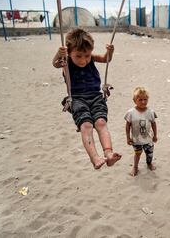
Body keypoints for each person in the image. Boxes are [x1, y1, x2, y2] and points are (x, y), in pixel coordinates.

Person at [52, 28, 121, 169]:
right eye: (78, 56)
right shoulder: (66, 61)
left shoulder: (90, 58)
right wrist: (59, 54)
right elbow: (55, 63)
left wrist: (110, 52)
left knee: (101, 123)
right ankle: (95, 158)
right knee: (86, 125)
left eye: (87, 56)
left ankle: (108, 154)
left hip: (95, 96)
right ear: (69, 53)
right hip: (77, 99)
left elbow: (105, 59)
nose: (84, 60)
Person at [125, 87, 158, 176]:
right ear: (134, 100)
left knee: (149, 153)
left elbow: (154, 124)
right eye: (140, 100)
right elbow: (127, 126)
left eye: (145, 99)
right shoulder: (130, 113)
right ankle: (135, 167)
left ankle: (149, 163)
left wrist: (155, 135)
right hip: (136, 140)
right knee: (137, 154)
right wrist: (128, 138)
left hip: (148, 139)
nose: (143, 102)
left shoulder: (150, 112)